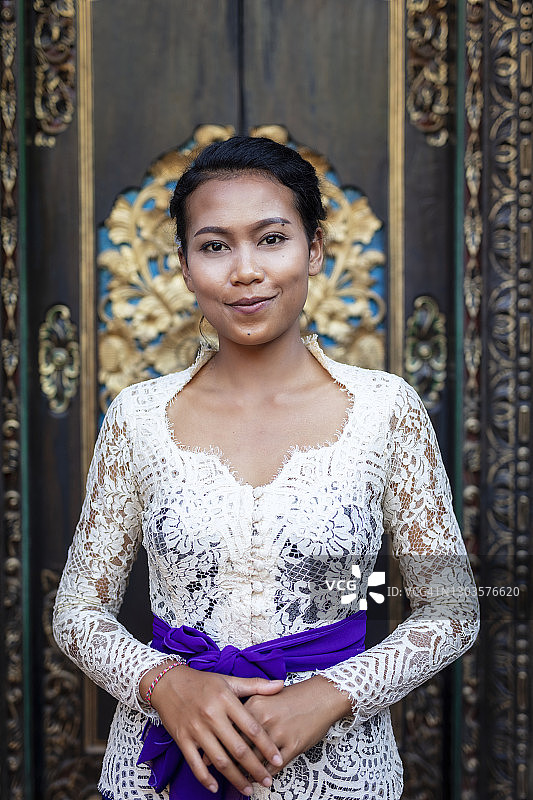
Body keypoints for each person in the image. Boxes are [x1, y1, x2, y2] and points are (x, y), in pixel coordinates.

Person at [53, 135, 480, 800]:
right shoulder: (137, 418)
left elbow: (450, 608)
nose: (244, 269)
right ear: (185, 267)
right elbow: (78, 610)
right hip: (161, 765)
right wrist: (165, 684)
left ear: (313, 251)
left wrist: (332, 692)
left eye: (271, 238)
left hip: (339, 770)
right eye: (214, 245)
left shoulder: (383, 411)